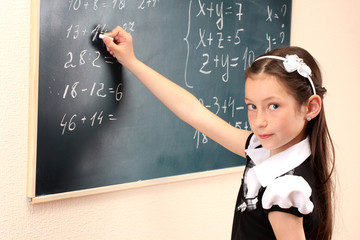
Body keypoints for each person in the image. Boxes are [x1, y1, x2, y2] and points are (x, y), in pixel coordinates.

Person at [102, 26, 335, 240]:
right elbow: (193, 111)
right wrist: (131, 61)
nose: (259, 121)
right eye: (252, 106)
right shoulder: (263, 150)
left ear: (311, 107)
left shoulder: (284, 189)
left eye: (273, 106)